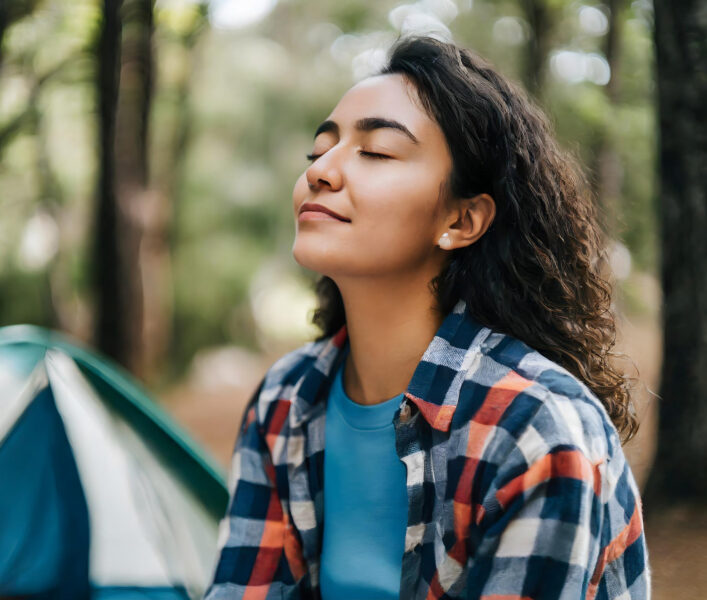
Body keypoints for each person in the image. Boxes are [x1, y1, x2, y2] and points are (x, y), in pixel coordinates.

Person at [203, 35, 651, 600]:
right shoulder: (285, 402)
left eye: (377, 152)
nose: (321, 172)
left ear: (462, 221)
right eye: (319, 150)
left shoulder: (535, 430)